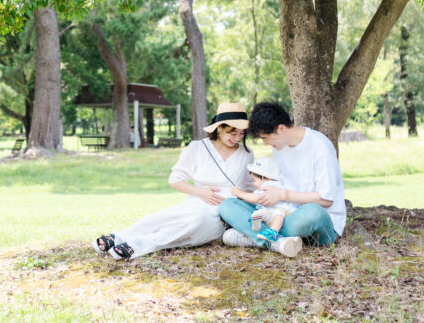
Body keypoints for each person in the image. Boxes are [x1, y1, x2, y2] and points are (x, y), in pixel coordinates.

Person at [92, 102, 255, 260]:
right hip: (196, 203)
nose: (237, 138)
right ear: (219, 127)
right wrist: (202, 193)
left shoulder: (246, 154)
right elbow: (175, 180)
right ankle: (118, 237)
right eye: (233, 133)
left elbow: (248, 189)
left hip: (223, 215)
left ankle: (137, 246)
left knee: (196, 222)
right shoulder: (198, 148)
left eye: (241, 134)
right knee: (164, 218)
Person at [219, 101, 345, 251]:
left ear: (281, 128)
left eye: (266, 138)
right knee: (228, 206)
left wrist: (282, 195)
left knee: (312, 212)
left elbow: (326, 200)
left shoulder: (321, 148)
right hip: (281, 213)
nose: (265, 144)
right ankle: (277, 242)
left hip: (313, 220)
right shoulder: (279, 147)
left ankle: (255, 237)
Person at [229, 156, 302, 257]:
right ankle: (256, 219)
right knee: (262, 212)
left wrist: (239, 193)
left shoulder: (269, 186)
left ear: (265, 178)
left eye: (254, 180)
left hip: (285, 215)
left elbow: (255, 198)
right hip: (270, 213)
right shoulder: (269, 184)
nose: (253, 184)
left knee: (278, 213)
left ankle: (273, 232)